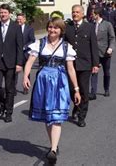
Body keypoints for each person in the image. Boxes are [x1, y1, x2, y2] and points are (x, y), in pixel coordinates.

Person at [23, 18, 81, 164]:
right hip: (43, 82)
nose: (52, 30)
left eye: (56, 28)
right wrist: (25, 77)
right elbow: (29, 62)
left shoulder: (66, 47)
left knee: (57, 116)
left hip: (60, 83)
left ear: (61, 30)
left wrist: (76, 89)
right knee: (48, 116)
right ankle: (53, 144)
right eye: (50, 27)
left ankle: (53, 150)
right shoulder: (40, 43)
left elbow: (71, 69)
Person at [0, 4, 24, 123]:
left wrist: (19, 63)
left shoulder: (16, 27)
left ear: (9, 14)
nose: (3, 15)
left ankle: (8, 112)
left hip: (11, 63)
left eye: (5, 12)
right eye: (1, 12)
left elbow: (19, 46)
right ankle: (3, 104)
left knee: (10, 89)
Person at [64, 4, 99, 127]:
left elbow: (94, 46)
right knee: (71, 89)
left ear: (83, 14)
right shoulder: (67, 27)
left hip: (85, 64)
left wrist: (95, 64)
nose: (75, 14)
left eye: (77, 12)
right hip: (70, 65)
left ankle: (81, 116)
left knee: (83, 91)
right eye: (73, 12)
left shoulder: (89, 27)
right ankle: (77, 107)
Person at [89, 8, 115, 100]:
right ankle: (93, 92)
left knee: (106, 72)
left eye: (93, 14)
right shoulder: (91, 25)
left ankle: (106, 89)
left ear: (97, 14)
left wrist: (110, 48)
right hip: (94, 53)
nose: (92, 16)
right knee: (94, 72)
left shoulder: (107, 25)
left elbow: (112, 38)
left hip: (105, 53)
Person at [16, 13, 35, 95]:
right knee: (14, 71)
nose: (18, 21)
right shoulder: (14, 28)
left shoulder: (29, 29)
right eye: (17, 19)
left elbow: (32, 40)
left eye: (20, 19)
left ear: (24, 19)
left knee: (26, 71)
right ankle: (13, 88)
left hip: (25, 54)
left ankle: (26, 87)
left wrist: (25, 47)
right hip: (16, 54)